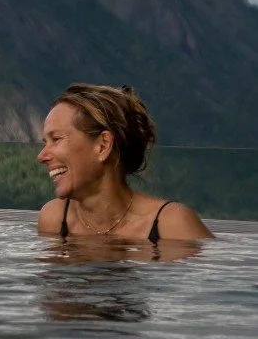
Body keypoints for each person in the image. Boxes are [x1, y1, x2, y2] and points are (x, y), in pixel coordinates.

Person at [37, 83, 213, 241]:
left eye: (56, 139)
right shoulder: (55, 220)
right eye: (45, 143)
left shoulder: (171, 226)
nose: (41, 156)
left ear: (103, 145)